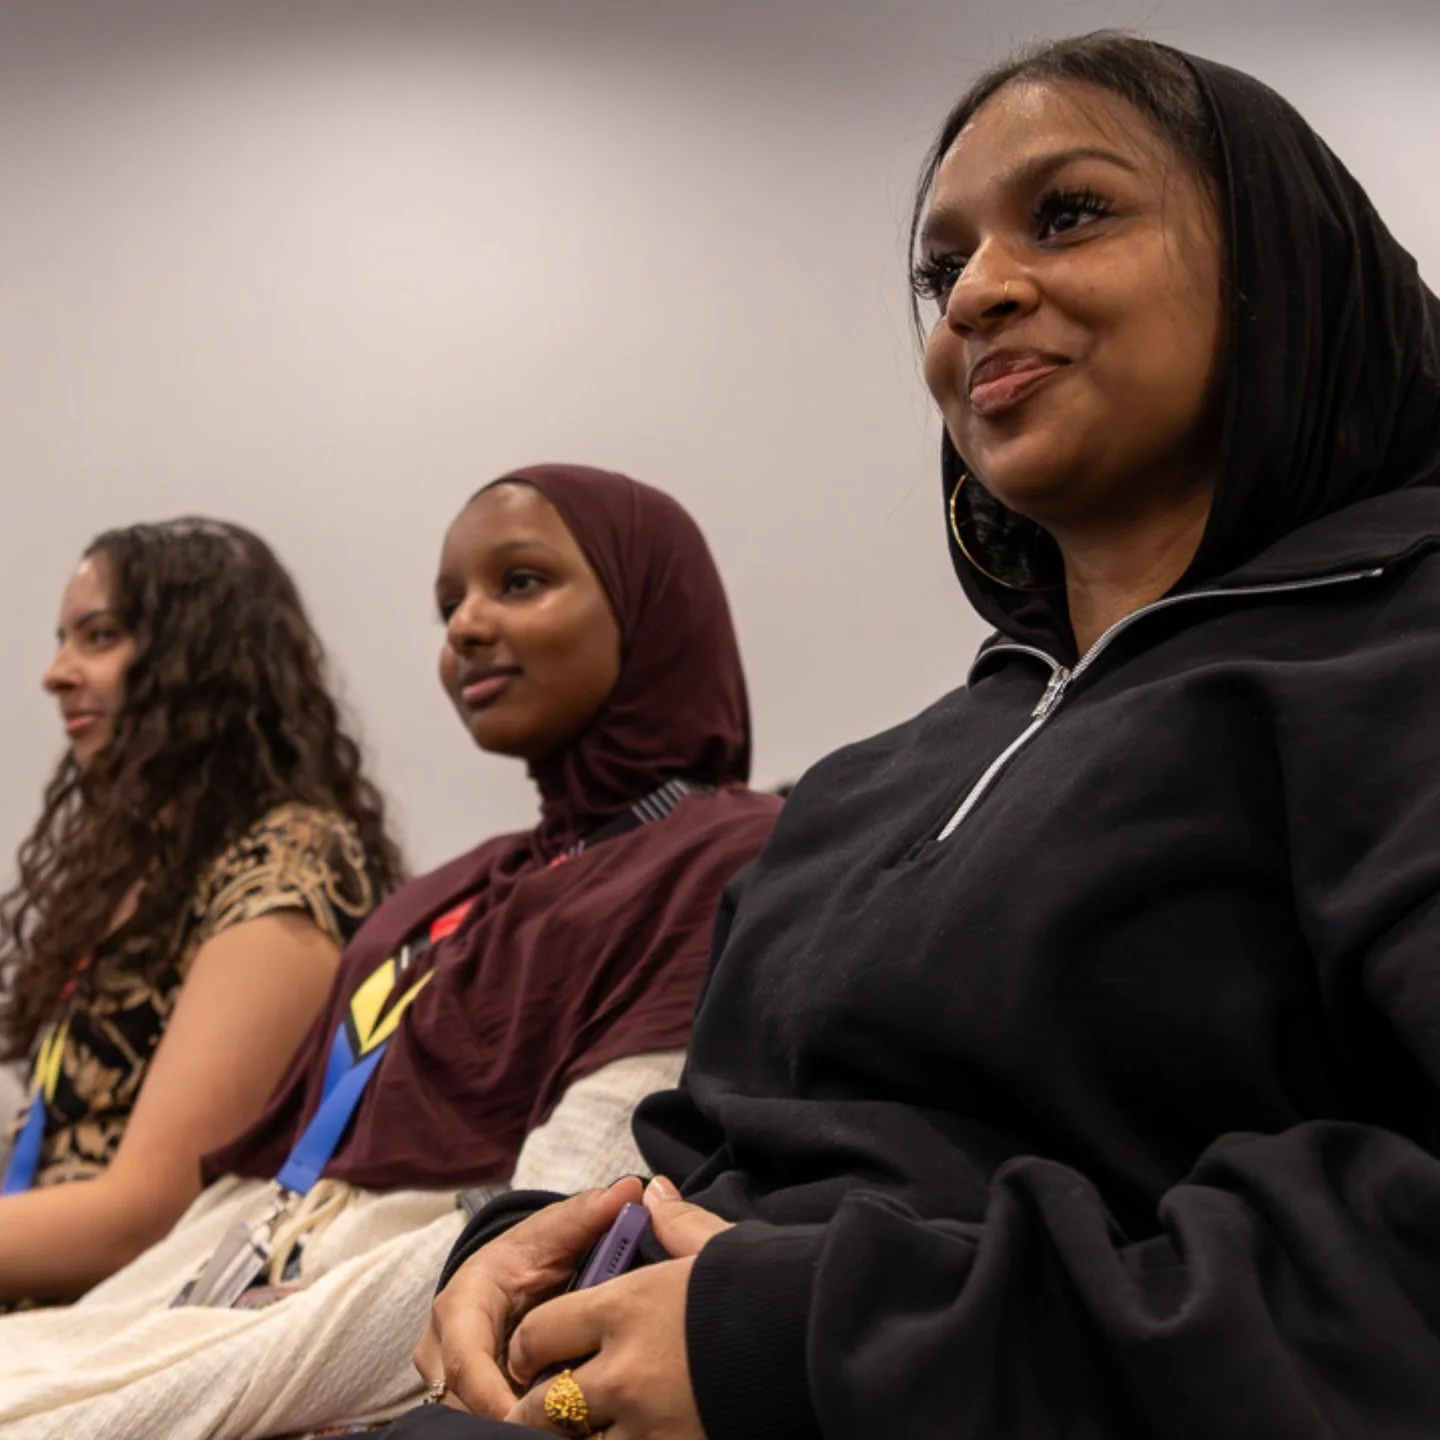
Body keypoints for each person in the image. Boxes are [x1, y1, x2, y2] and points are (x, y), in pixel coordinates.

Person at [402, 34, 1440, 1440]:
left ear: (1281, 264)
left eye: (1068, 214)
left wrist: (824, 1337)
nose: (979, 298)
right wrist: (523, 1256)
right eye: (940, 273)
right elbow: (707, 1160)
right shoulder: (866, 787)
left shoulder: (1395, 660)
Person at [0, 466, 780, 1440]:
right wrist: (85, 1349)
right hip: (227, 1299)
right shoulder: (448, 895)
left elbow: (553, 1220)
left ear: (652, 606)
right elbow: (269, 1197)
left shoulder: (728, 861)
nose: (465, 626)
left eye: (520, 582)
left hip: (367, 1343)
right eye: (449, 604)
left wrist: (125, 1397)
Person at [0, 518, 397, 1306]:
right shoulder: (142, 868)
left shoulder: (286, 863)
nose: (56, 673)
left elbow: (146, 1215)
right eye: (63, 639)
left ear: (203, 663)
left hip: (118, 1330)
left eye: (99, 636)